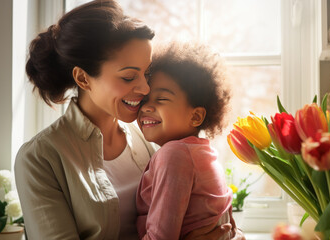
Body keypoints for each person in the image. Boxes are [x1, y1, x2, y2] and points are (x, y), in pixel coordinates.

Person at [14, 1, 242, 239]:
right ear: (83, 79)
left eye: (147, 73)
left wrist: (229, 234)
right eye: (129, 77)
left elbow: (204, 215)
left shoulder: (152, 139)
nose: (145, 88)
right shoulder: (40, 158)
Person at [136, 42, 233, 240]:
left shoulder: (174, 154)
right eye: (144, 100)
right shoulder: (205, 154)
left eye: (161, 99)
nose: (146, 107)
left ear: (196, 116)